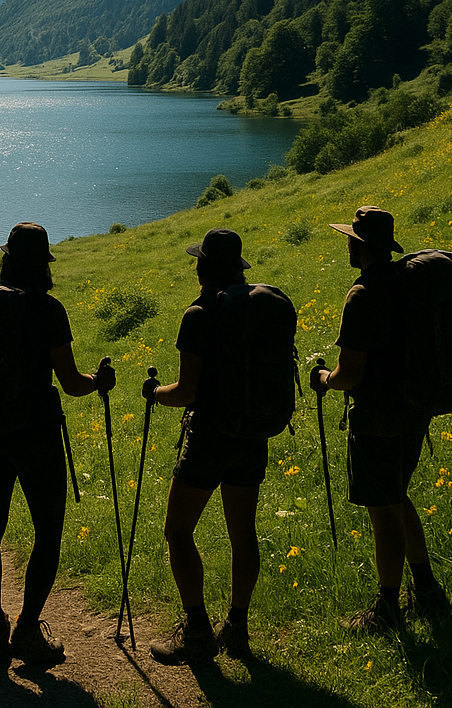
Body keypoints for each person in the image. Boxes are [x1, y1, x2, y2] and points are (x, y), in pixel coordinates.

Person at [0, 222, 114, 666]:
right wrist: (98, 381)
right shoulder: (48, 310)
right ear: (44, 263)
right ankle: (28, 628)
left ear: (6, 257)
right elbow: (70, 383)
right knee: (47, 531)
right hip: (35, 434)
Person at [310, 206, 448, 631]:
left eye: (351, 238)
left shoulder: (364, 294)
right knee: (397, 494)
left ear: (359, 245)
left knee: (383, 509)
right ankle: (425, 589)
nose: (348, 243)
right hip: (414, 407)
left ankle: (388, 609)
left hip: (379, 417)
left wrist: (322, 378)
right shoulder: (406, 283)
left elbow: (350, 375)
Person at [147, 228, 265, 663]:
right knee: (242, 532)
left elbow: (187, 391)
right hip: (252, 435)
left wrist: (155, 393)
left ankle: (197, 630)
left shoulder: (198, 314)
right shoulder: (255, 306)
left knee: (177, 530)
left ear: (202, 267)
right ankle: (236, 626)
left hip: (210, 436)